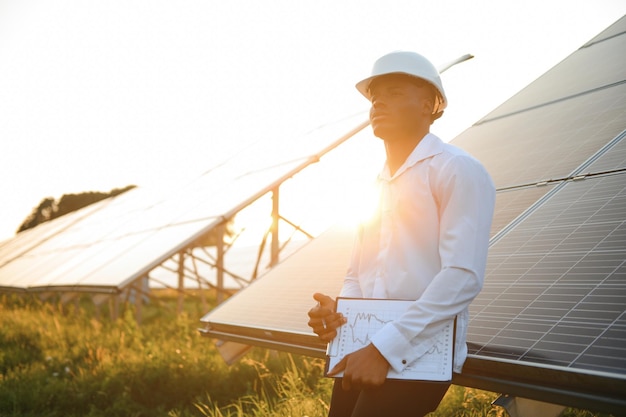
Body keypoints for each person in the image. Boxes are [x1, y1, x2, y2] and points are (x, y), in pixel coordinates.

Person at [307, 51, 496, 417]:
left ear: (429, 105)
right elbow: (355, 275)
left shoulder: (457, 170)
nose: (378, 101)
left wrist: (383, 348)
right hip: (362, 352)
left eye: (394, 92)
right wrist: (340, 314)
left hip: (421, 354)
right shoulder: (375, 185)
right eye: (375, 95)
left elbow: (462, 277)